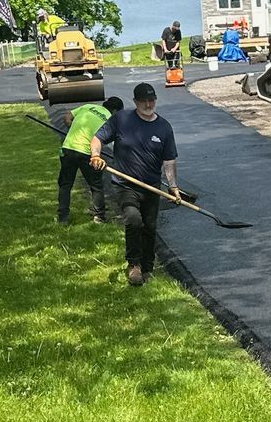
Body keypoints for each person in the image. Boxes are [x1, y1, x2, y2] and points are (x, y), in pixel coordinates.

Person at [109, 82, 180, 285]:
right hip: (125, 184)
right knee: (133, 219)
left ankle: (147, 266)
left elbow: (169, 160)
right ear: (135, 102)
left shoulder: (164, 127)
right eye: (144, 101)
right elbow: (98, 138)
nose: (148, 104)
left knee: (149, 226)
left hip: (151, 185)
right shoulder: (121, 119)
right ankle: (134, 265)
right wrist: (95, 154)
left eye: (151, 100)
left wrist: (173, 187)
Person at [56, 96, 122, 225]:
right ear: (115, 111)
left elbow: (66, 117)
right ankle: (99, 216)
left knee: (65, 184)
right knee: (96, 186)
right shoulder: (111, 119)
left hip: (68, 148)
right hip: (88, 153)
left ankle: (62, 218)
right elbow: (108, 139)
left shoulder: (88, 107)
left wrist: (73, 130)